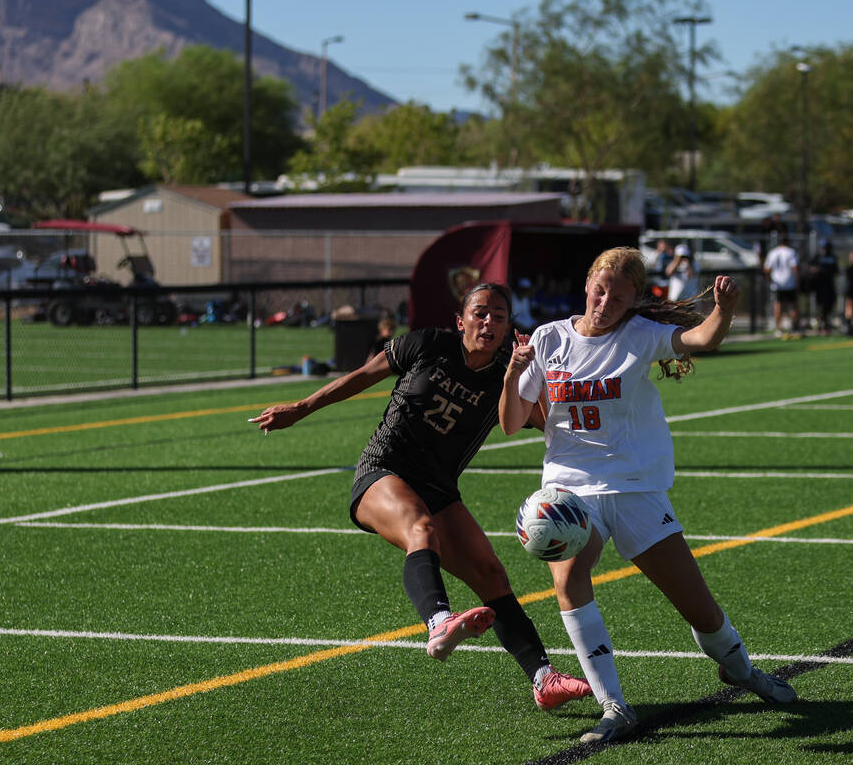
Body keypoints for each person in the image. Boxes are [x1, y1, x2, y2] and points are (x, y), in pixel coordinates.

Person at [498, 247, 797, 744]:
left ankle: (740, 668)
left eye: (619, 295)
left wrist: (722, 311)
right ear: (587, 283)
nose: (605, 301)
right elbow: (510, 422)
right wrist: (513, 371)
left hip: (636, 486)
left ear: (635, 299)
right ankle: (613, 706)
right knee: (570, 577)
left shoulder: (640, 336)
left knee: (697, 607)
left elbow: (701, 338)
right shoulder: (550, 338)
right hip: (570, 488)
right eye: (600, 288)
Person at [249, 283, 593, 711]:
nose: (488, 322)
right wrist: (300, 408)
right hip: (383, 470)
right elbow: (362, 376)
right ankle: (438, 623)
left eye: (499, 317)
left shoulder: (509, 370)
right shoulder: (427, 343)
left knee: (491, 574)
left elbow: (543, 420)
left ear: (509, 328)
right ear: (460, 319)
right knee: (420, 528)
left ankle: (543, 678)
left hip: (439, 485)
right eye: (480, 313)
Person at [763, 235, 800, 338]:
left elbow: (766, 269)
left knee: (778, 305)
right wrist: (797, 280)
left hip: (777, 284)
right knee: (793, 305)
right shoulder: (791, 252)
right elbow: (795, 267)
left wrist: (770, 281)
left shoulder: (773, 253)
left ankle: (779, 328)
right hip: (790, 283)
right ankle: (795, 327)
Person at [807, 240, 839, 335]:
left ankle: (826, 324)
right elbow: (810, 267)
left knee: (830, 305)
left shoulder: (833, 257)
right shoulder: (817, 257)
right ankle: (822, 325)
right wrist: (816, 270)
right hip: (820, 286)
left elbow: (836, 270)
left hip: (830, 285)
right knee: (821, 307)